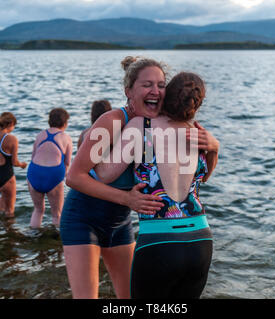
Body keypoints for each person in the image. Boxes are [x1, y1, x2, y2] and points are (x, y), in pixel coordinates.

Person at [94, 72, 219, 298]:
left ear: (166, 94)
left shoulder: (144, 129)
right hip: (201, 240)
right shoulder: (199, 134)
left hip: (159, 241)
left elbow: (104, 174)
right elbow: (205, 176)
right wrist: (215, 148)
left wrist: (96, 139)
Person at [61, 56, 168, 299]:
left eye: (161, 85)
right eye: (147, 85)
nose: (156, 91)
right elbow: (74, 177)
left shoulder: (151, 127)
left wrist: (211, 145)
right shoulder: (111, 122)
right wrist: (127, 199)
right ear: (128, 91)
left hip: (120, 223)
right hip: (82, 219)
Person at [27, 108, 73, 228]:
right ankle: (57, 242)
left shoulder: (40, 134)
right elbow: (67, 162)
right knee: (57, 214)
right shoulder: (66, 138)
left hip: (34, 173)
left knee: (38, 210)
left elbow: (33, 156)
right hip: (53, 174)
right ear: (65, 123)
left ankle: (33, 236)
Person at [0, 112, 27, 218]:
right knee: (10, 211)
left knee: (4, 195)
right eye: (14, 126)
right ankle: (9, 231)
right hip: (5, 177)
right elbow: (14, 162)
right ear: (11, 123)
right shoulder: (12, 139)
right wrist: (22, 165)